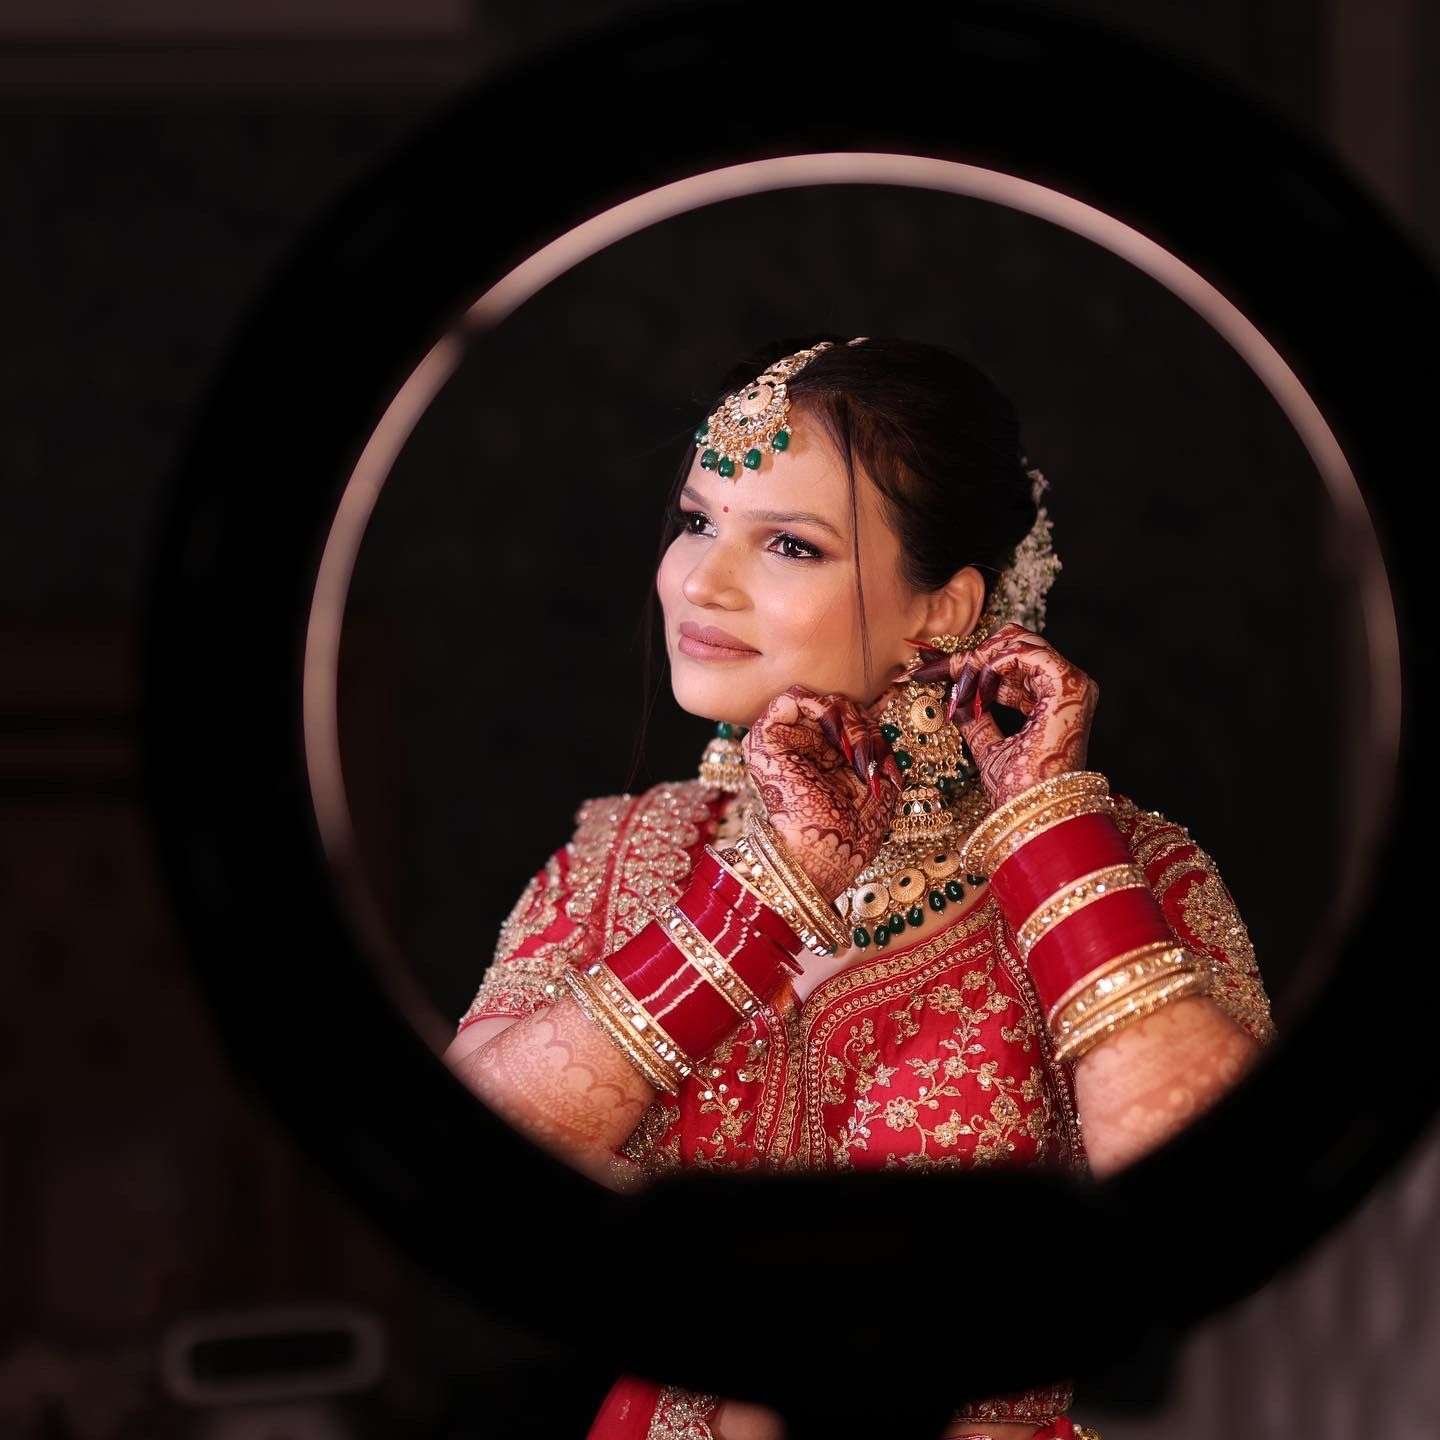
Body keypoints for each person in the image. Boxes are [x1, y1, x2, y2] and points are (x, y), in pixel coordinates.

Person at [443, 336, 1277, 1440]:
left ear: (944, 609)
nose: (699, 581)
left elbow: (1219, 1215)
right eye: (695, 521)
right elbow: (468, 1184)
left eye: (789, 544)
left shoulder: (1125, 868)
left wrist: (1047, 835)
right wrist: (766, 889)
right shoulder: (627, 852)